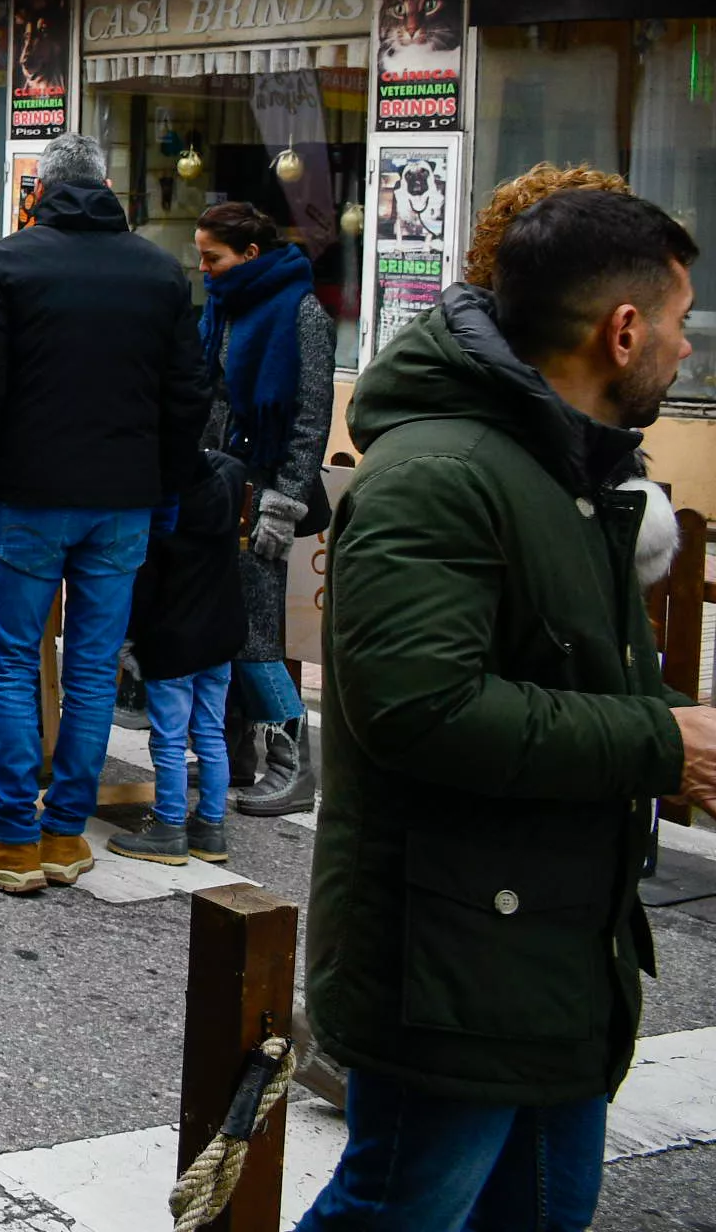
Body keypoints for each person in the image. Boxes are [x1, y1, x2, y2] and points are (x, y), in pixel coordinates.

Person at [299, 186, 716, 1230]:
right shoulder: (444, 471)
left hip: (545, 948)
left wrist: (670, 733)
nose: (685, 350)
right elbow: (421, 706)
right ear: (621, 331)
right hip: (453, 957)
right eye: (678, 323)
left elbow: (564, 668)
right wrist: (659, 738)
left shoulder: (565, 463)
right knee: (399, 1209)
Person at [0, 133, 210, 894]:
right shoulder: (158, 270)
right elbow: (189, 393)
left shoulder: (12, 262)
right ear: (109, 183)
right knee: (91, 670)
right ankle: (66, 834)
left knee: (14, 661)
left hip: (33, 493)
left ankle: (15, 839)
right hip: (124, 497)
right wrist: (166, 488)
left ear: (39, 191)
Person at [193, 200, 337, 819]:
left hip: (263, 494)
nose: (203, 269)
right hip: (217, 486)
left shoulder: (300, 312)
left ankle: (291, 764)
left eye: (212, 257)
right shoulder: (226, 304)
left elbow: (308, 416)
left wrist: (287, 499)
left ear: (250, 254)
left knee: (255, 633)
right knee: (218, 625)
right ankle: (231, 754)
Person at [108, 447, 244, 868]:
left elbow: (144, 591)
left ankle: (168, 825)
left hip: (173, 642)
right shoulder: (223, 499)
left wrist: (129, 642)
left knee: (168, 738)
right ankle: (210, 825)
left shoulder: (163, 519)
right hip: (218, 641)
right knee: (210, 733)